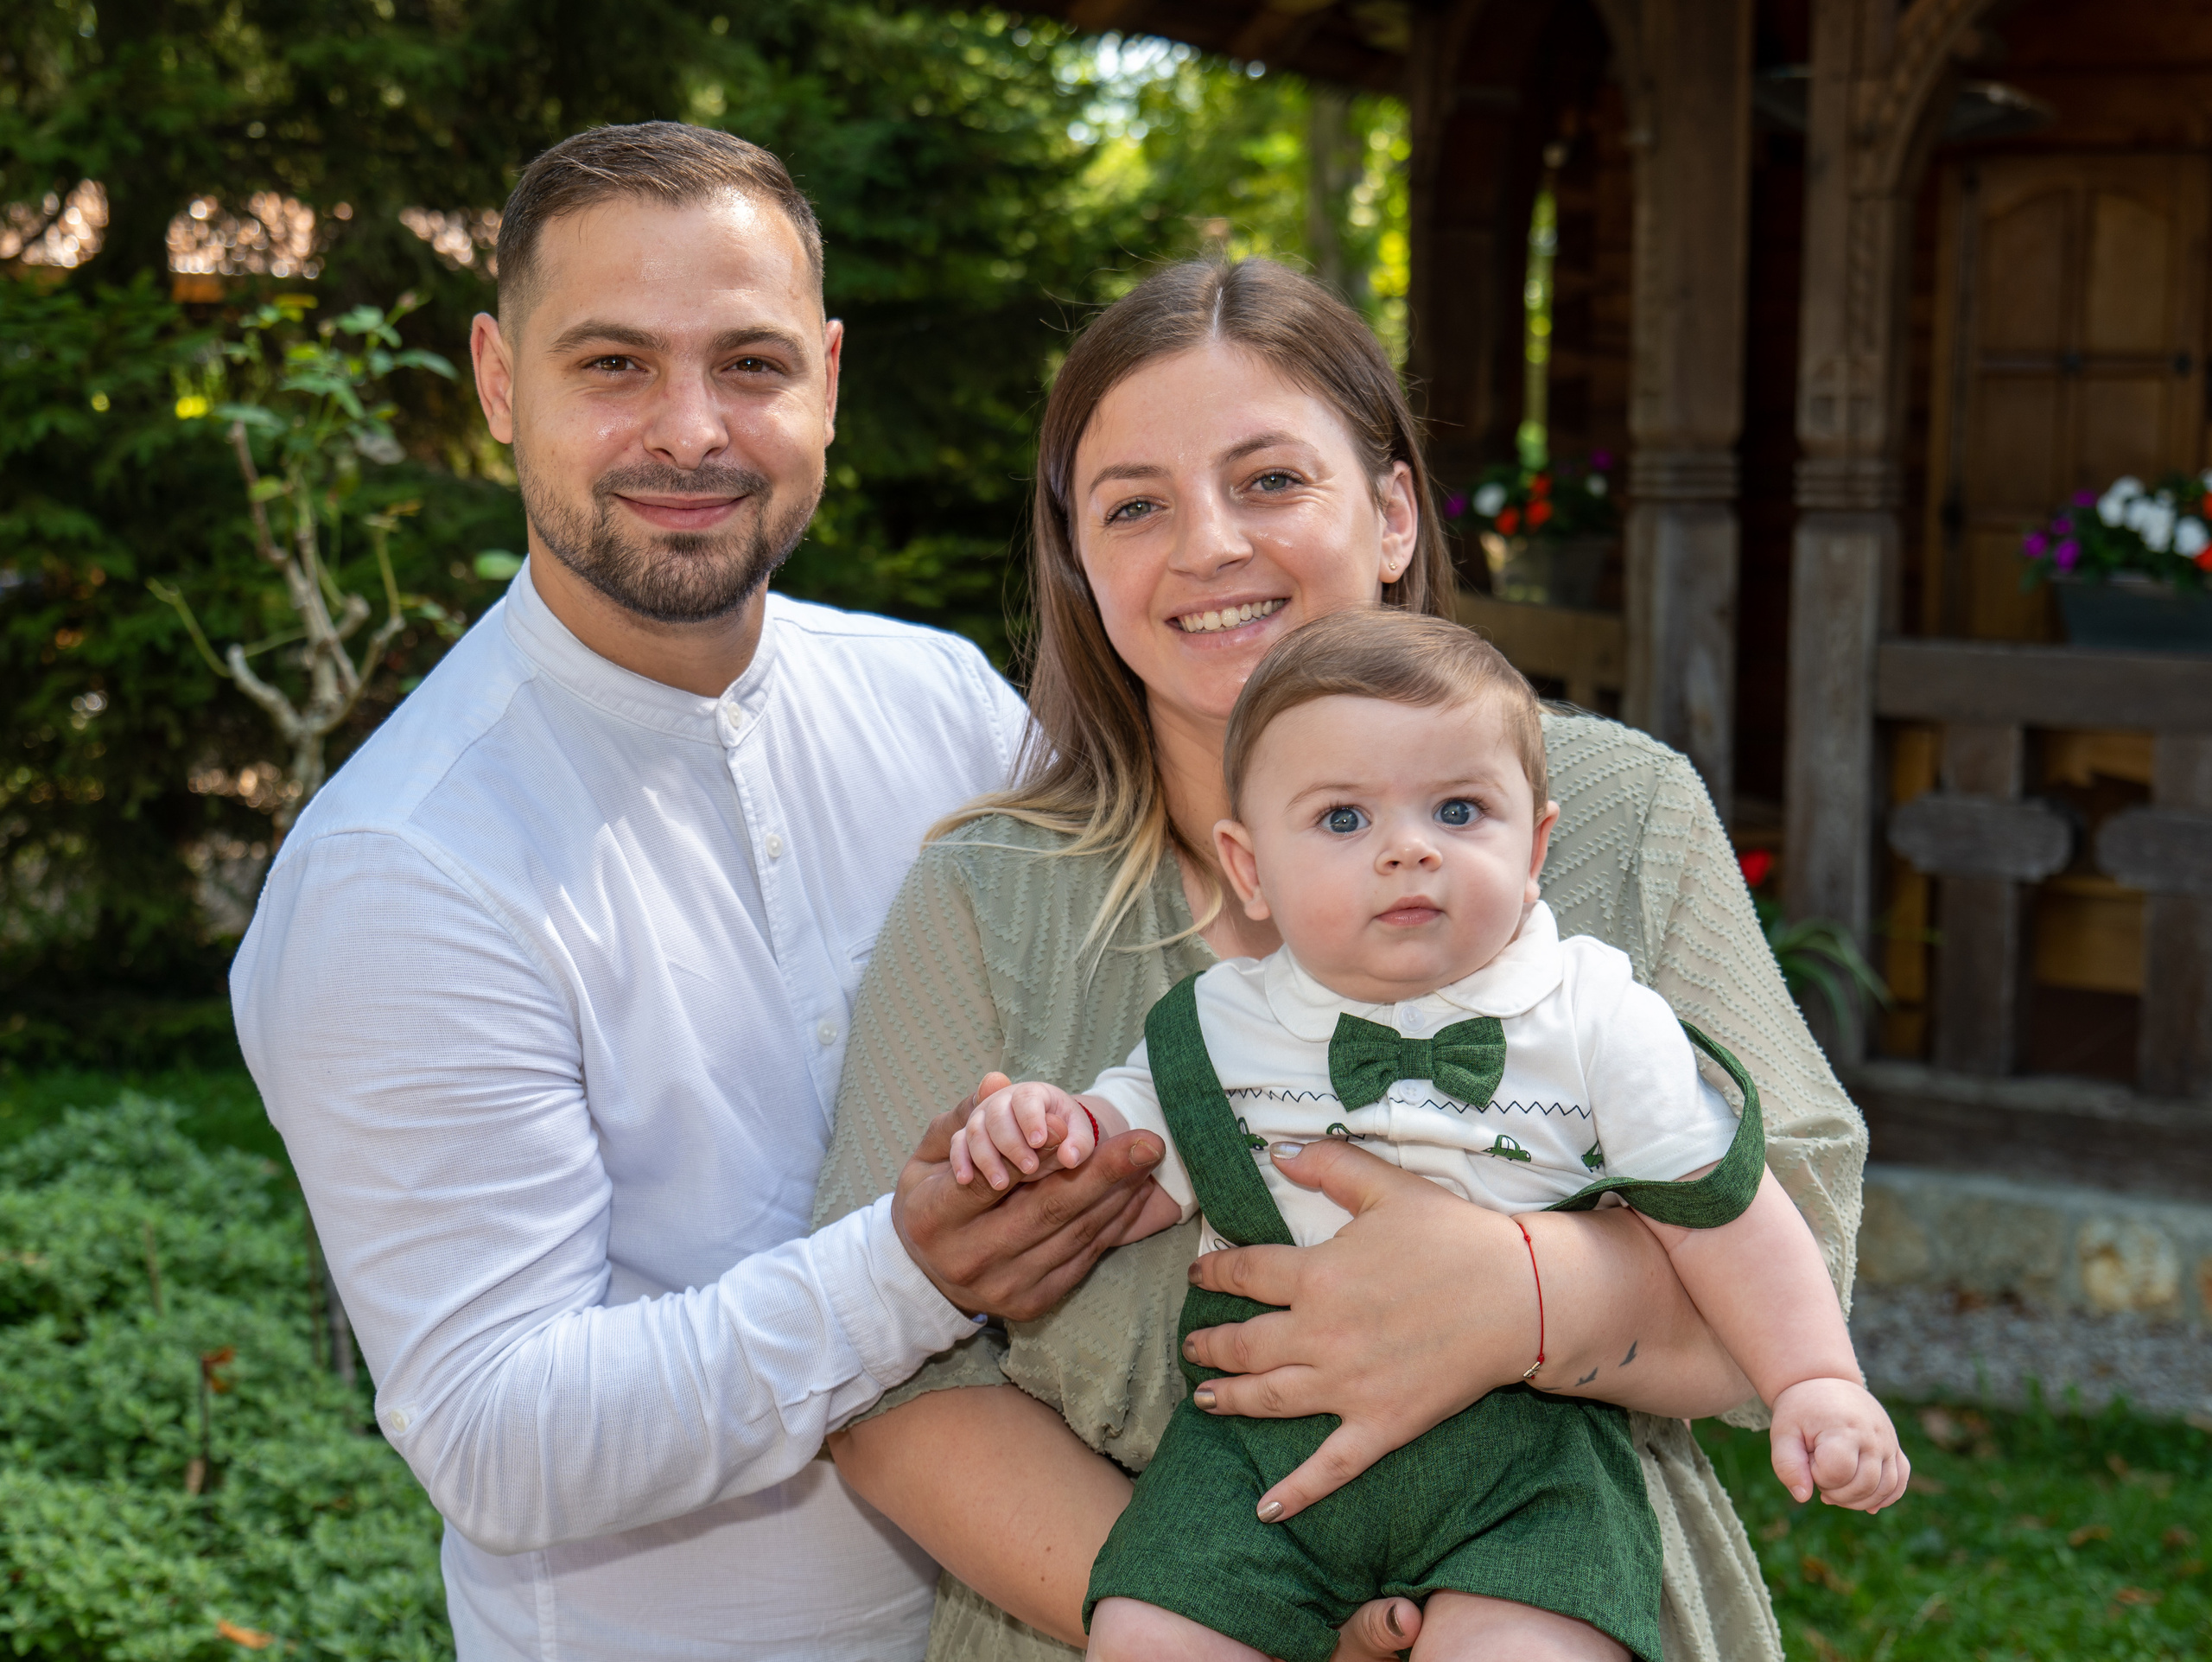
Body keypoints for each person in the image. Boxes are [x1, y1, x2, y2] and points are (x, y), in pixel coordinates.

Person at [814, 257, 1869, 1662]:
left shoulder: (1615, 813)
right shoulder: (988, 894)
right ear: (1083, 560)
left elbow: (1798, 1243)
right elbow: (885, 1381)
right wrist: (1226, 1609)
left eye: (1269, 480)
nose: (1208, 545)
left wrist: (1527, 1294)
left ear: (1387, 511)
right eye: (1136, 505)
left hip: (1557, 1596)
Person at [229, 121, 1168, 1661]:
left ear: (830, 378)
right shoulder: (401, 866)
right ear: (495, 379)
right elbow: (497, 1429)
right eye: (612, 365)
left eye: (749, 362)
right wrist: (910, 1271)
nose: (691, 430)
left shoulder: (948, 708)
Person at [950, 610, 1906, 1661]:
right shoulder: (1219, 1023)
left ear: (1535, 846)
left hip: (1526, 1453)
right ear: (1251, 867)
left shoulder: (1594, 1015)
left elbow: (1724, 1212)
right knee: (1142, 1634)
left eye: (1458, 809)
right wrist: (1045, 1127)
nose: (1408, 848)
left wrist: (1815, 1378)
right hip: (1254, 1450)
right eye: (1342, 820)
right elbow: (1123, 1160)